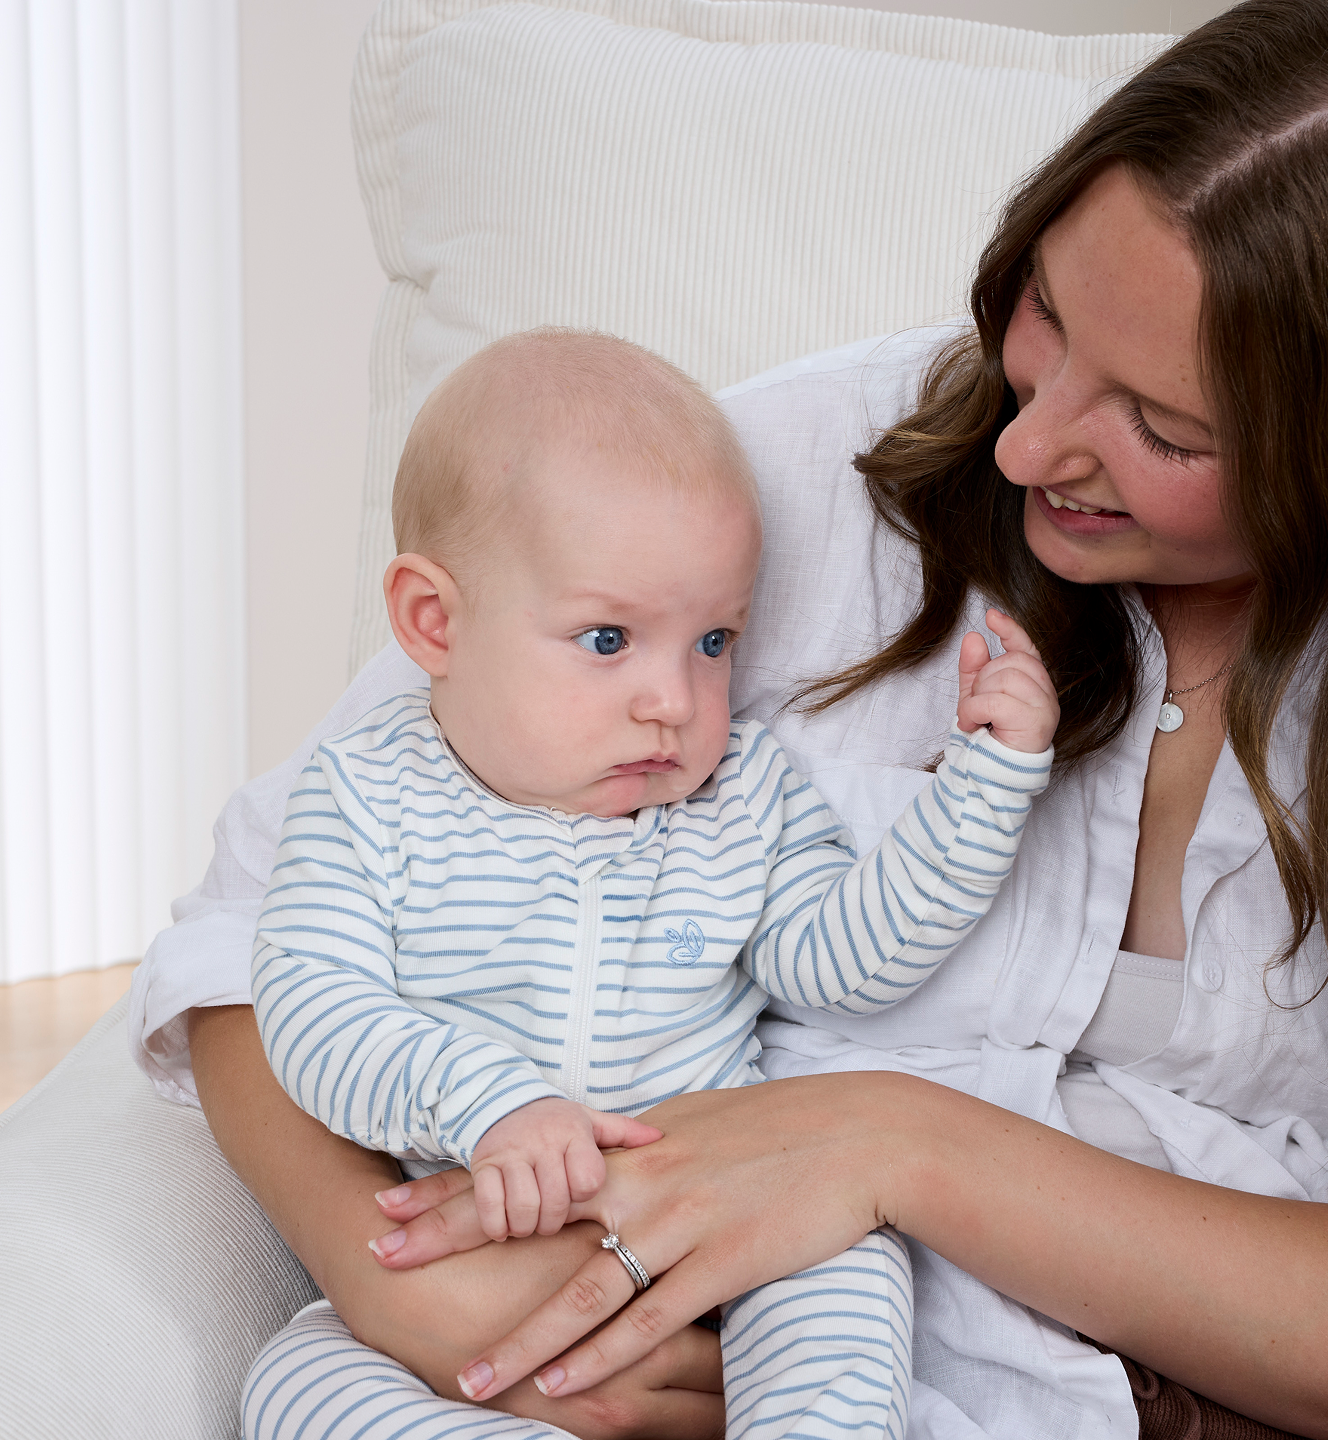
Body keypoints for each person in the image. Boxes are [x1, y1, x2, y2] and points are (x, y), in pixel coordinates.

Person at [129, 2, 1328, 1435]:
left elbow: (845, 947)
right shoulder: (734, 479)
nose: (1025, 443)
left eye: (1166, 431)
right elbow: (248, 943)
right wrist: (393, 1286)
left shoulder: (746, 787)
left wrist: (900, 1143)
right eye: (1046, 314)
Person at [242, 329, 1058, 1440]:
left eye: (714, 641)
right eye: (608, 637)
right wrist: (492, 1104)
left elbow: (842, 962)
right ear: (434, 621)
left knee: (851, 1273)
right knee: (299, 1384)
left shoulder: (739, 795)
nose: (673, 700)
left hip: (725, 1235)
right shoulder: (368, 795)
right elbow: (314, 1006)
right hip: (483, 1226)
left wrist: (984, 790)